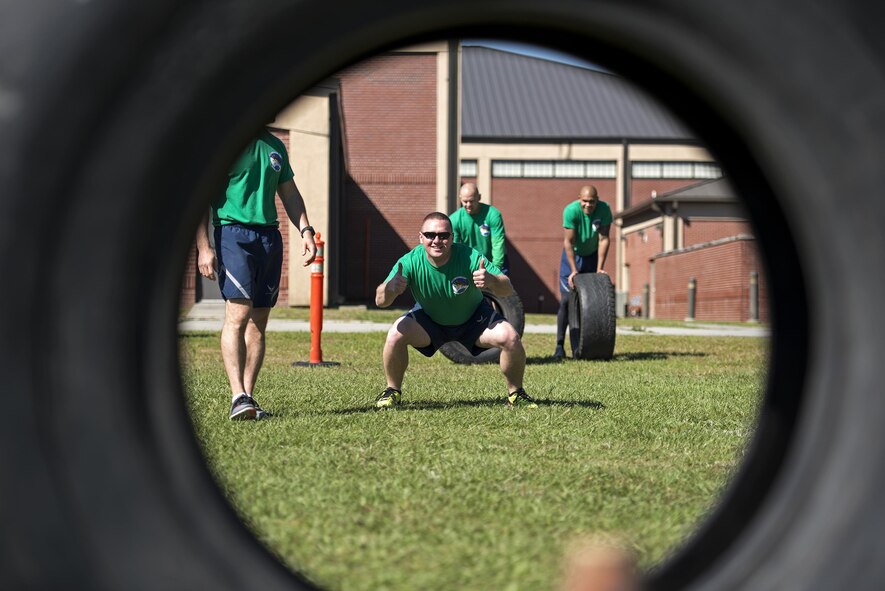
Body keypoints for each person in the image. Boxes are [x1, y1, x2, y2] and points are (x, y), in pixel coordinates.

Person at [196, 128, 317, 420]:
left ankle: (248, 398)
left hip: (269, 238)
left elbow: (289, 192)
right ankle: (237, 395)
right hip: (233, 233)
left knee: (259, 321)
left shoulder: (274, 146)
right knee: (238, 314)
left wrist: (306, 230)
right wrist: (203, 247)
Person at [374, 212, 536, 408]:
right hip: (429, 321)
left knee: (510, 338)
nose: (436, 240)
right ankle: (392, 391)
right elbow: (380, 300)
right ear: (420, 237)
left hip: (473, 319)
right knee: (395, 335)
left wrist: (492, 281)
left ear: (452, 237)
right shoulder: (409, 262)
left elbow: (507, 288)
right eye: (430, 235)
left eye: (443, 235)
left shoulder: (469, 256)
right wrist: (390, 288)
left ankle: (516, 393)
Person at [554, 185, 612, 360]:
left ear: (597, 200)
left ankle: (584, 346)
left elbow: (604, 239)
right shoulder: (571, 211)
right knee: (566, 301)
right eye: (585, 201)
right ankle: (559, 346)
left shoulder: (604, 210)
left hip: (592, 257)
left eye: (592, 202)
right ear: (579, 198)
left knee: (588, 302)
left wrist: (599, 268)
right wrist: (573, 270)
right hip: (573, 256)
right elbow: (569, 243)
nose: (588, 205)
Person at [450, 182, 509, 274]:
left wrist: (495, 269)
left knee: (502, 286)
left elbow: (498, 243)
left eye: (472, 201)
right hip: (469, 264)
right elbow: (454, 248)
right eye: (465, 201)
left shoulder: (493, 214)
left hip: (495, 262)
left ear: (479, 197)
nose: (468, 205)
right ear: (460, 199)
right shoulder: (454, 219)